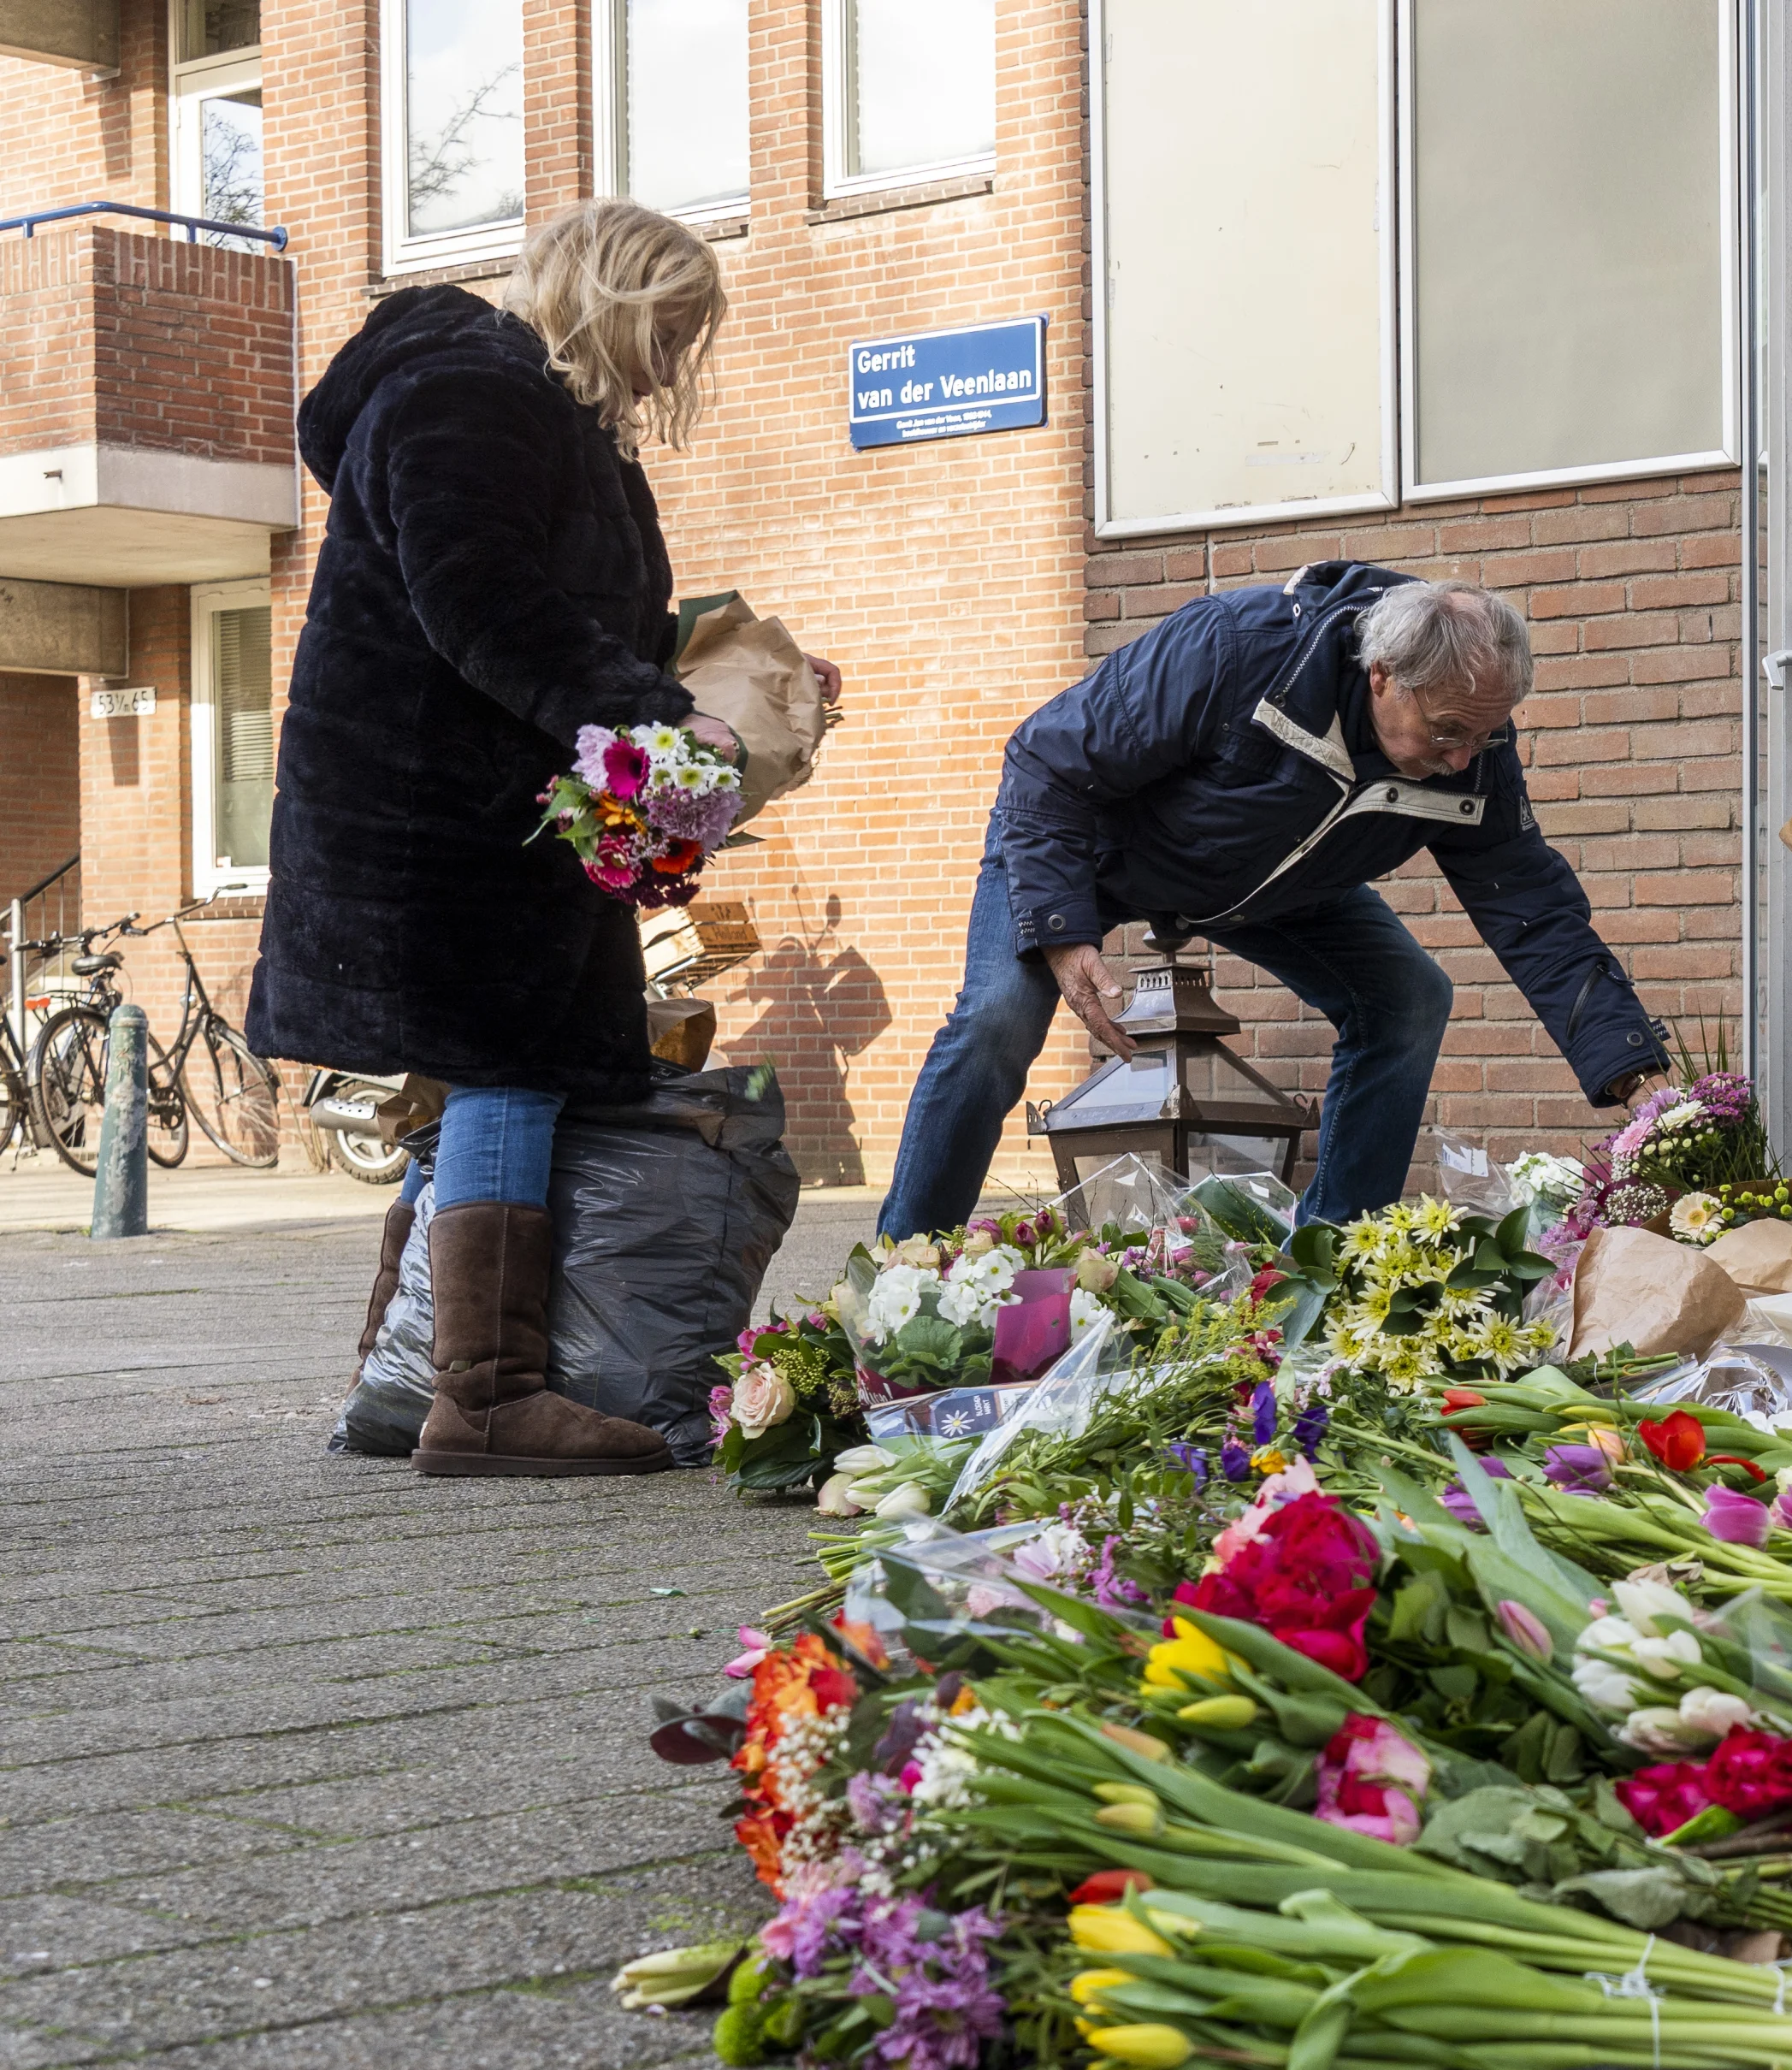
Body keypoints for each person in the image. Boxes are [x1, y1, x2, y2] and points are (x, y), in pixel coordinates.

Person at [251, 199, 837, 1480]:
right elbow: (483, 601)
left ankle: (402, 1379)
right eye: (666, 332)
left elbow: (572, 614)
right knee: (506, 1064)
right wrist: (659, 715)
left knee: (499, 1069)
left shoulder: (541, 411)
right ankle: (487, 1396)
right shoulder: (469, 392)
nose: (672, 368)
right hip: (437, 811)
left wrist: (735, 686)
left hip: (490, 806)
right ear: (610, 300)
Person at [880, 567, 1667, 1234]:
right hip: (1081, 843)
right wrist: (1060, 930)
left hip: (1271, 879)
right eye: (1447, 731)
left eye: (1484, 736)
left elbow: (1534, 909)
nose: (1463, 758)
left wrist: (1635, 1073)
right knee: (996, 1021)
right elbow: (1046, 761)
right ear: (1383, 675)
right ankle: (902, 1271)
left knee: (1409, 999)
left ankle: (1331, 1268)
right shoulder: (1236, 648)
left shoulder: (1474, 752)